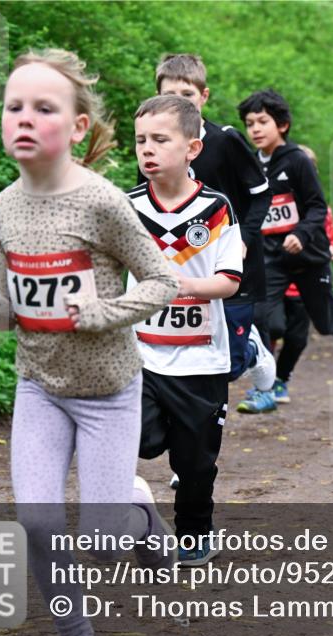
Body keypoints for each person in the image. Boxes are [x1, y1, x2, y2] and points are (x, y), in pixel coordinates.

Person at [0, 49, 179, 636]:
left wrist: (104, 313)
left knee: (103, 542)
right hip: (40, 389)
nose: (24, 118)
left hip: (107, 393)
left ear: (77, 126)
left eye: (43, 108)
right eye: (13, 106)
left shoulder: (102, 203)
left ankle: (136, 508)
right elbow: (8, 315)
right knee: (39, 524)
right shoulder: (3, 208)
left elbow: (162, 281)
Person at [146, 54, 277, 489]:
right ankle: (187, 452)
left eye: (186, 95)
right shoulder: (153, 149)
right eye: (169, 95)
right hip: (181, 271)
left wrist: (242, 236)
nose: (178, 102)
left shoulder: (226, 140)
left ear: (203, 97)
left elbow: (260, 196)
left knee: (229, 363)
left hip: (229, 262)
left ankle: (253, 353)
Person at [128, 95, 243, 568]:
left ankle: (194, 533)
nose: (147, 150)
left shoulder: (216, 209)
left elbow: (229, 282)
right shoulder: (126, 206)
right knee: (134, 439)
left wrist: (179, 286)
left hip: (201, 360)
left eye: (160, 139)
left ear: (192, 148)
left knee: (195, 464)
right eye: (140, 141)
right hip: (141, 355)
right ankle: (132, 498)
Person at [238, 89, 333, 378]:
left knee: (324, 323)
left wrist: (301, 234)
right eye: (250, 123)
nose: (255, 129)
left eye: (262, 121)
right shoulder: (250, 164)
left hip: (308, 254)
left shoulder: (297, 161)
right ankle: (264, 384)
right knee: (259, 316)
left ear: (282, 125)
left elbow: (318, 207)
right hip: (272, 255)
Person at [247, 145, 333, 408]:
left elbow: (326, 237)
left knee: (298, 338)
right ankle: (265, 381)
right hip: (275, 277)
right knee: (271, 325)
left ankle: (281, 379)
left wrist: (329, 249)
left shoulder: (317, 209)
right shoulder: (269, 199)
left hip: (303, 283)